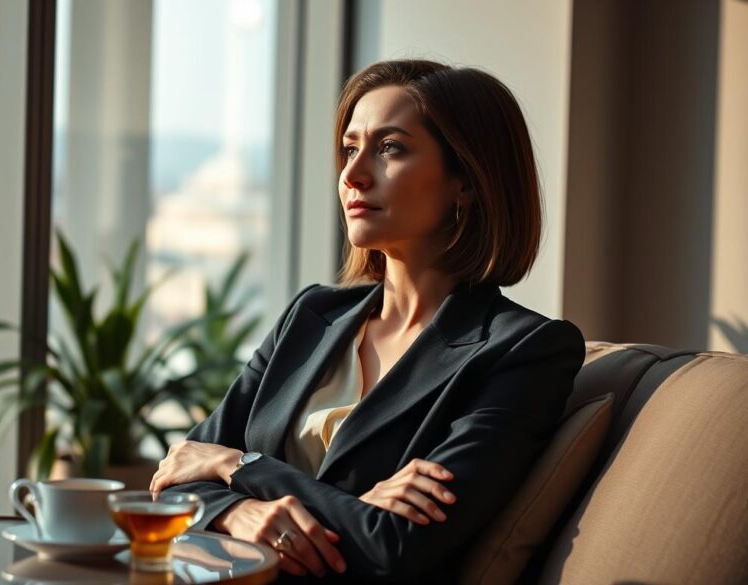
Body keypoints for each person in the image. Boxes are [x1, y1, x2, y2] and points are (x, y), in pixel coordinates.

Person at [151, 59, 585, 583]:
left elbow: (397, 547)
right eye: (351, 148)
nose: (353, 175)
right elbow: (177, 476)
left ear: (465, 181)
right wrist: (242, 512)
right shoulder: (311, 316)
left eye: (390, 148)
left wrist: (238, 468)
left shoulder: (526, 350)